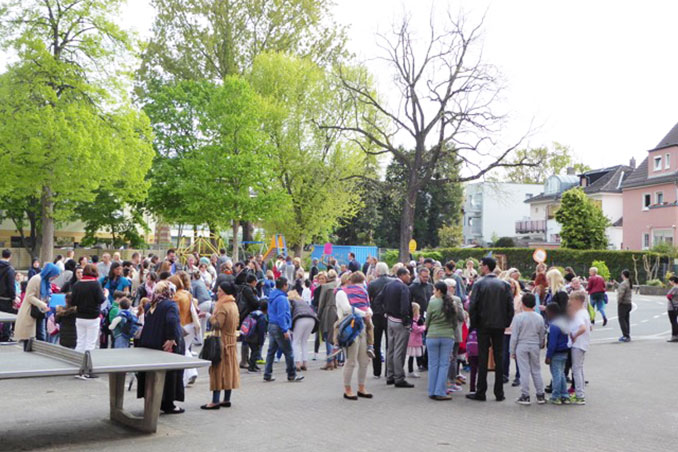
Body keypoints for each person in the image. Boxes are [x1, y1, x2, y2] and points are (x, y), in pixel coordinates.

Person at [467, 257, 515, 402]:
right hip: (499, 326)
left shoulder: (479, 284)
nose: (480, 267)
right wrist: (505, 322)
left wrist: (474, 325)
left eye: (481, 265)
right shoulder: (504, 285)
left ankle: (481, 392)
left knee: (483, 358)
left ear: (486, 267)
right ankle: (499, 393)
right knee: (499, 358)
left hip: (483, 325)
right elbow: (510, 307)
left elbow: (473, 306)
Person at [137, 281, 186, 414]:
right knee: (169, 374)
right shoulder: (170, 305)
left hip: (149, 343)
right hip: (163, 344)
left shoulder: (150, 305)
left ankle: (152, 401)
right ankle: (167, 403)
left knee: (151, 374)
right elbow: (171, 321)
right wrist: (172, 338)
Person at [201, 282, 241, 410]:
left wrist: (209, 317)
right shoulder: (233, 304)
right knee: (229, 370)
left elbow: (218, 324)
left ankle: (215, 401)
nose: (217, 293)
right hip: (231, 341)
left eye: (219, 291)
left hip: (221, 341)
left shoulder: (223, 306)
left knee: (217, 370)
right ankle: (226, 399)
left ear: (224, 292)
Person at [335, 271, 373, 400]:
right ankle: (348, 389)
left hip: (361, 326)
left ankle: (361, 387)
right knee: (351, 361)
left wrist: (369, 312)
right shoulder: (341, 292)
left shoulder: (360, 292)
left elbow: (367, 305)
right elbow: (346, 309)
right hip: (349, 328)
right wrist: (365, 313)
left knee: (364, 360)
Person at [263, 277, 304, 382]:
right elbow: (281, 315)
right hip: (279, 326)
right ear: (284, 286)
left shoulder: (272, 296)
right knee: (288, 351)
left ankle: (267, 373)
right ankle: (291, 374)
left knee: (271, 351)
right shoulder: (282, 298)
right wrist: (285, 329)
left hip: (272, 325)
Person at [510, 293, 546, 405]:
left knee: (524, 370)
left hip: (522, 345)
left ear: (523, 304)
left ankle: (525, 395)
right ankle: (540, 394)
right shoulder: (539, 317)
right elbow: (542, 333)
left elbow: (514, 336)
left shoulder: (518, 318)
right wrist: (540, 344)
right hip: (534, 344)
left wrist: (512, 350)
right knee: (536, 370)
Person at [425, 281, 457, 400]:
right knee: (444, 364)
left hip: (432, 336)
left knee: (433, 364)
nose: (433, 291)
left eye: (434, 289)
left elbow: (427, 321)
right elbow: (454, 323)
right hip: (447, 336)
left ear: (438, 290)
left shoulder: (432, 303)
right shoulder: (451, 303)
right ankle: (440, 391)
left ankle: (432, 391)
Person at [15, 263, 61, 343]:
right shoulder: (36, 279)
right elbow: (29, 296)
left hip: (41, 311)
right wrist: (43, 304)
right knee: (30, 338)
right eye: (55, 276)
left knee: (41, 336)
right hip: (31, 311)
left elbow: (46, 296)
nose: (55, 278)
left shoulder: (46, 281)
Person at [383, 267, 414, 388]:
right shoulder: (403, 288)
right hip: (400, 322)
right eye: (408, 275)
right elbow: (405, 307)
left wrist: (386, 312)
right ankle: (399, 377)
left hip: (390, 320)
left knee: (390, 349)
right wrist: (406, 321)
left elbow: (379, 299)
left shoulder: (388, 285)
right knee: (399, 350)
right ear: (402, 275)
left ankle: (390, 375)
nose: (410, 277)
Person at [71, 264, 105, 356]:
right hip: (93, 317)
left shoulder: (77, 284)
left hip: (80, 316)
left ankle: (77, 360)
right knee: (90, 343)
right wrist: (105, 294)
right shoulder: (96, 284)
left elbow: (72, 301)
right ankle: (87, 363)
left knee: (80, 341)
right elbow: (101, 299)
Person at [367, 262, 391, 378]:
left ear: (377, 271)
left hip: (376, 314)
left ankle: (377, 371)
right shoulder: (393, 282)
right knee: (389, 343)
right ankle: (388, 371)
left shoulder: (372, 284)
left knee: (376, 343)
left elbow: (368, 300)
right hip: (389, 314)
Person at [545, 302, 571, 405]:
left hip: (556, 352)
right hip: (564, 351)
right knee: (561, 374)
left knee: (556, 374)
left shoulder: (554, 325)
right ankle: (564, 395)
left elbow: (552, 343)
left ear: (551, 312)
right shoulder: (563, 322)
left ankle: (556, 396)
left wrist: (548, 356)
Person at [568, 290, 591, 405]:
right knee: (579, 368)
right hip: (584, 343)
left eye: (571, 300)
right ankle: (580, 392)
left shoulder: (579, 314)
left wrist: (574, 335)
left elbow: (582, 328)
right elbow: (589, 327)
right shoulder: (584, 312)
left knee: (576, 369)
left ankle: (579, 395)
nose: (570, 302)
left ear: (577, 301)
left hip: (578, 344)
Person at [317, 270, 340, 370]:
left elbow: (321, 303)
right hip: (339, 311)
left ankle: (329, 361)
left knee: (328, 336)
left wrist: (318, 315)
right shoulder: (339, 285)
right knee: (336, 336)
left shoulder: (326, 286)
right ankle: (336, 359)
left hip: (328, 311)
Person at [290, 290, 318, 372]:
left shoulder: (291, 301)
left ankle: (297, 363)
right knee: (304, 341)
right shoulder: (303, 301)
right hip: (312, 319)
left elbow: (290, 313)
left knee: (295, 341)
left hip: (300, 318)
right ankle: (305, 363)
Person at [238, 273, 261, 369]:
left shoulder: (243, 288)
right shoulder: (248, 289)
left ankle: (246, 359)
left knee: (245, 337)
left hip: (243, 314)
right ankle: (244, 360)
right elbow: (254, 302)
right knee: (246, 338)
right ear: (254, 282)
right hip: (246, 315)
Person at [0, 249, 17, 342]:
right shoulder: (10, 269)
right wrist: (13, 297)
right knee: (7, 317)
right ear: (10, 256)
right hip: (6, 297)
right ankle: (5, 336)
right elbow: (11, 285)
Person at [406, 302, 426, 378]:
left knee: (414, 355)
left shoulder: (415, 319)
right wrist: (424, 327)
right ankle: (410, 371)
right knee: (411, 356)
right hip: (413, 341)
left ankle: (413, 369)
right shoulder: (413, 320)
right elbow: (416, 329)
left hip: (415, 340)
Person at [616, 269, 633, 342]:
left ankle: (625, 335)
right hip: (629, 303)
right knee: (626, 319)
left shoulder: (623, 283)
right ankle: (627, 334)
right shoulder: (629, 282)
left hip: (623, 303)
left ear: (623, 275)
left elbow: (621, 294)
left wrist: (619, 302)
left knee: (622, 319)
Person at [667, 276, 678, 342]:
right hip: (676, 306)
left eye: (670, 281)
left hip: (672, 307)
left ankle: (674, 336)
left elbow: (668, 295)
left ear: (673, 281)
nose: (669, 282)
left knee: (673, 322)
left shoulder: (675, 288)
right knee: (675, 321)